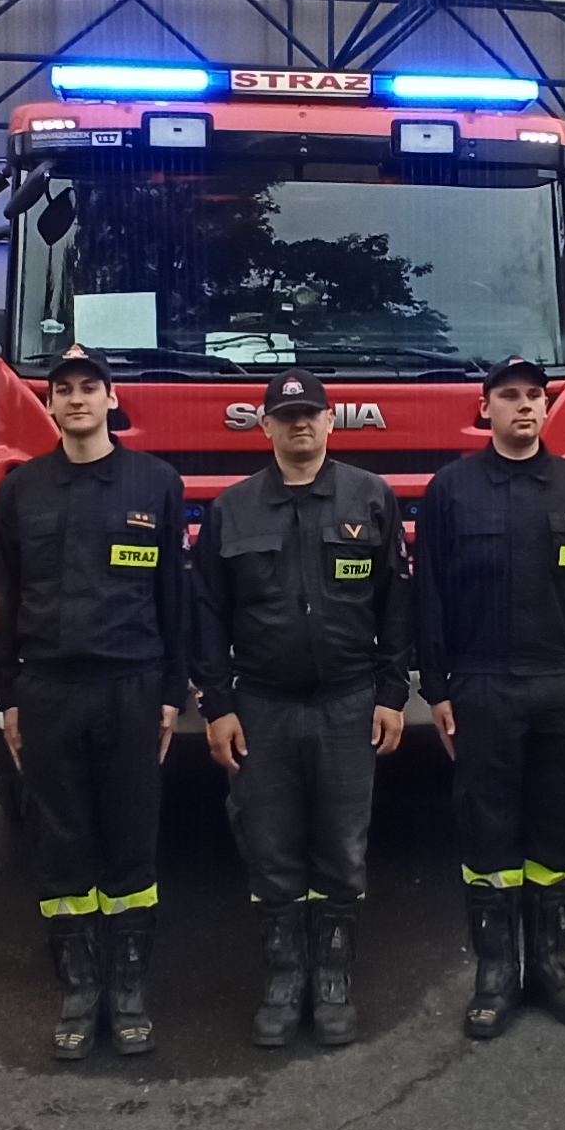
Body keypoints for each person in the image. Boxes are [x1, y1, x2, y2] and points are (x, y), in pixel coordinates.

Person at [194, 370, 412, 1047]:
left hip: (348, 702)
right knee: (271, 846)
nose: (300, 424)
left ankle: (334, 979)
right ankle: (285, 979)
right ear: (264, 427)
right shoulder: (231, 509)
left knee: (342, 846)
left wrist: (392, 694)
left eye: (311, 414)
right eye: (286, 416)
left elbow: (397, 606)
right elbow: (207, 615)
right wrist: (217, 704)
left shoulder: (370, 497)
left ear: (330, 421)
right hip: (262, 706)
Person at [412, 357, 565, 1039]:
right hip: (483, 683)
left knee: (558, 832)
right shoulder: (452, 490)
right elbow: (429, 595)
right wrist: (437, 687)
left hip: (564, 682)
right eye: (510, 396)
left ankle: (554, 969)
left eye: (536, 395)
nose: (526, 405)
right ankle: (497, 973)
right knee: (488, 832)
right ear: (486, 409)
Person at [0, 347, 189, 1058]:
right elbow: (9, 598)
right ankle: (79, 991)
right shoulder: (21, 490)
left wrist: (172, 692)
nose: (76, 399)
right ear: (50, 404)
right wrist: (8, 697)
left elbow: (173, 596)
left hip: (131, 686)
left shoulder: (156, 482)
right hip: (48, 691)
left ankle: (128, 990)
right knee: (61, 841)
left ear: (111, 399)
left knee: (132, 837)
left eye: (89, 388)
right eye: (63, 389)